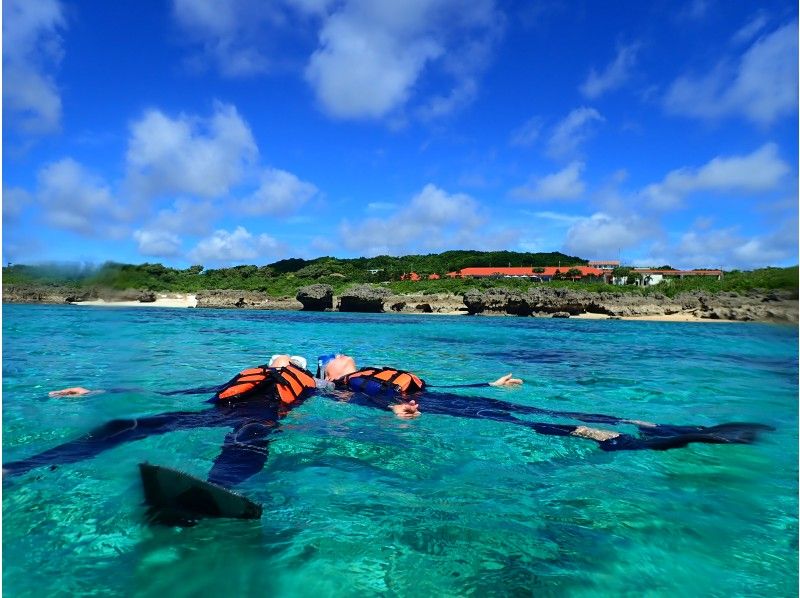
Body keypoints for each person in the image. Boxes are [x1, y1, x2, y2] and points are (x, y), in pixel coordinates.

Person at [315, 354, 773, 451]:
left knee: (529, 422)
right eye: (328, 361)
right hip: (437, 400)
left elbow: (395, 392)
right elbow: (392, 390)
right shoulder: (362, 375)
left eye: (330, 359)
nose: (331, 360)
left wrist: (490, 386)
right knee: (535, 417)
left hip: (440, 402)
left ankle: (624, 435)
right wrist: (392, 408)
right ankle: (642, 427)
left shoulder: (356, 379)